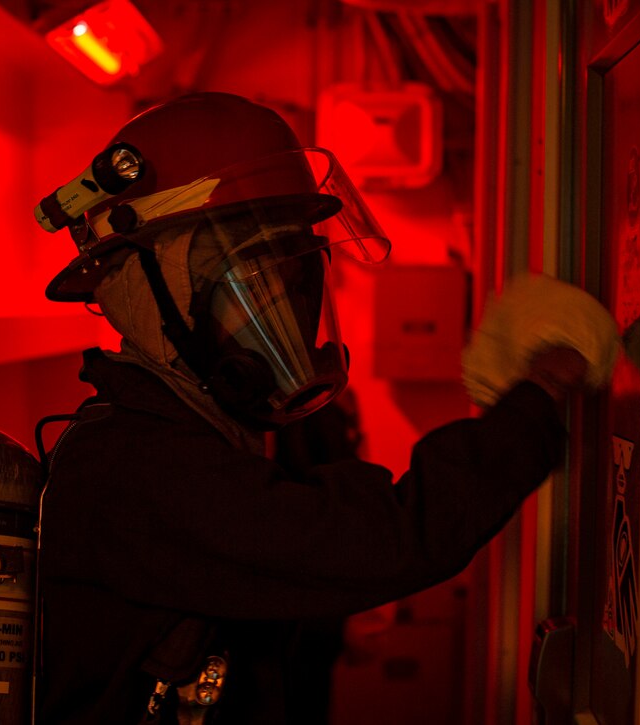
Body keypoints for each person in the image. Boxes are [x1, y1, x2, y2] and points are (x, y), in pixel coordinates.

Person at [33, 92, 598, 724]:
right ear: (145, 291)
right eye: (252, 281)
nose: (284, 313)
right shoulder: (134, 472)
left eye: (293, 280)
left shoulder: (195, 437)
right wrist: (540, 394)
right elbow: (391, 537)